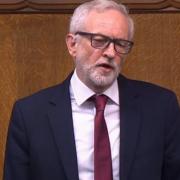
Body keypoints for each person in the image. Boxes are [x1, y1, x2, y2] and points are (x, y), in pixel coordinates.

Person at [3, 0, 180, 180]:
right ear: (72, 45)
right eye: (99, 41)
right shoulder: (30, 115)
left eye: (120, 43)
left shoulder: (160, 107)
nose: (111, 53)